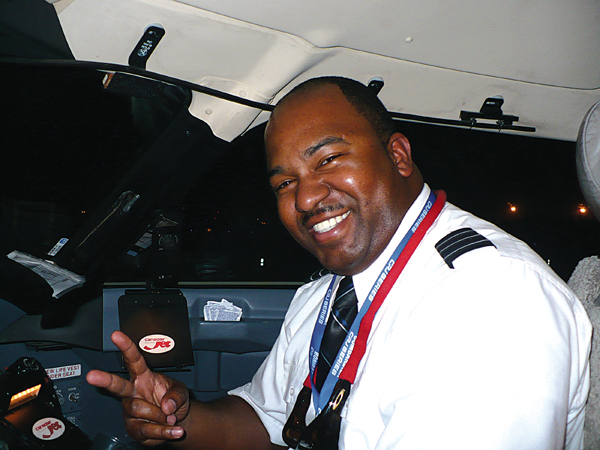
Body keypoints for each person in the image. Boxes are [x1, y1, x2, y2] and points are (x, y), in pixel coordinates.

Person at [87, 77, 592, 449]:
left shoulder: (490, 298)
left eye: (328, 159)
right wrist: (180, 417)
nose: (305, 197)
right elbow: (267, 420)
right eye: (285, 182)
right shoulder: (328, 293)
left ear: (398, 156)